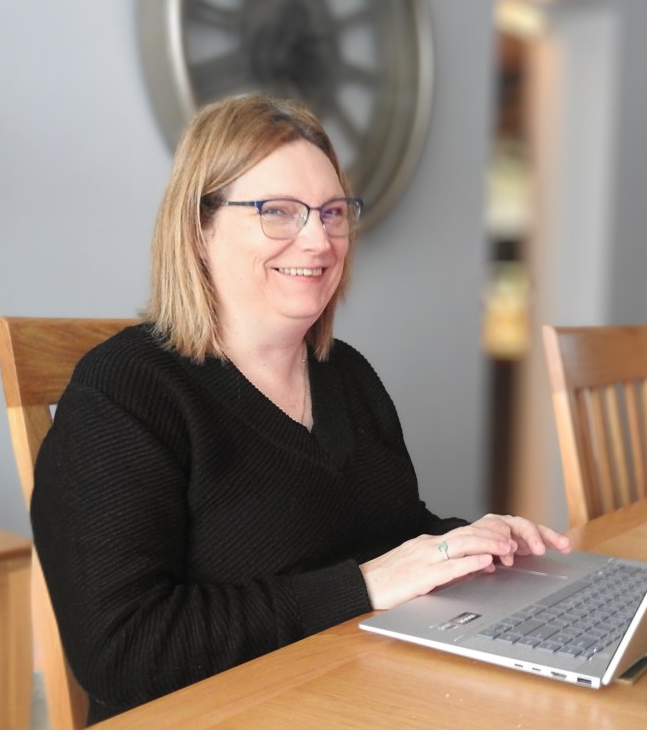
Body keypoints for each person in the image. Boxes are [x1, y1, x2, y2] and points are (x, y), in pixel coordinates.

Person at [30, 92, 570, 724]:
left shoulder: (347, 375)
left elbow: (388, 533)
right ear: (199, 228)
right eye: (278, 212)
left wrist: (474, 544)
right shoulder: (123, 393)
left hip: (354, 697)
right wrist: (362, 587)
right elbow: (121, 650)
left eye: (332, 212)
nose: (318, 240)